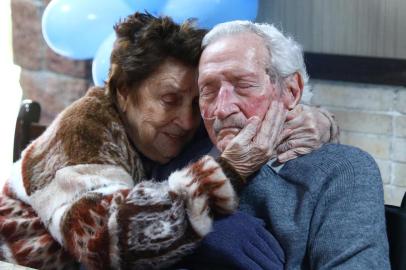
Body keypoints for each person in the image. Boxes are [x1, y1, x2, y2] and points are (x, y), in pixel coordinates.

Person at [0, 13, 337, 270]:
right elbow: (107, 241)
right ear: (123, 93)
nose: (189, 121)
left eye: (195, 102)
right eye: (169, 99)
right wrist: (228, 172)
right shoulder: (83, 130)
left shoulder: (175, 128)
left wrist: (317, 119)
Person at [170, 20, 390, 269]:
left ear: (292, 91)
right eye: (208, 91)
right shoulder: (180, 157)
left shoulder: (342, 171)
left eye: (243, 85)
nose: (221, 109)